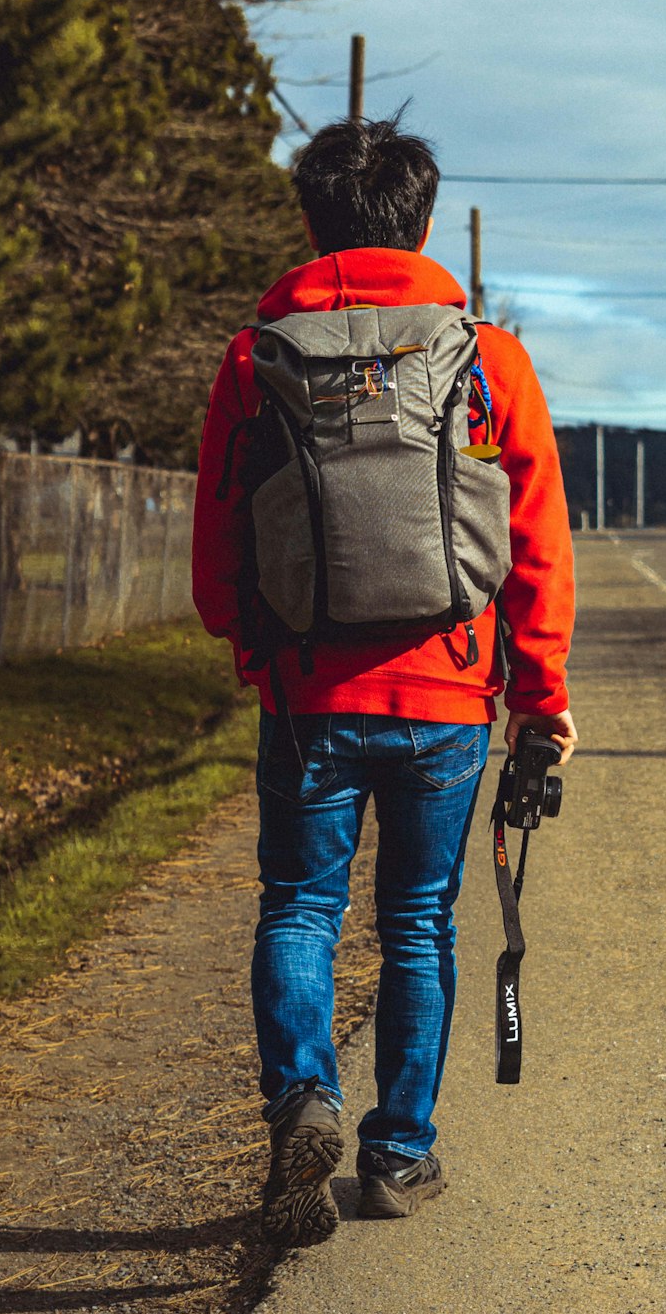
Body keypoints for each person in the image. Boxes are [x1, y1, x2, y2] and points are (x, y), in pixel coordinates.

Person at [192, 115, 577, 1246]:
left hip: (309, 689)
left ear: (312, 220)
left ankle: (304, 1094)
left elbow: (220, 534)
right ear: (418, 218)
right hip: (447, 697)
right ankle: (400, 1155)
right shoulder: (484, 357)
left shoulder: (254, 355)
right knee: (416, 923)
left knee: (299, 905)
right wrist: (539, 698)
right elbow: (538, 543)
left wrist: (252, 646)